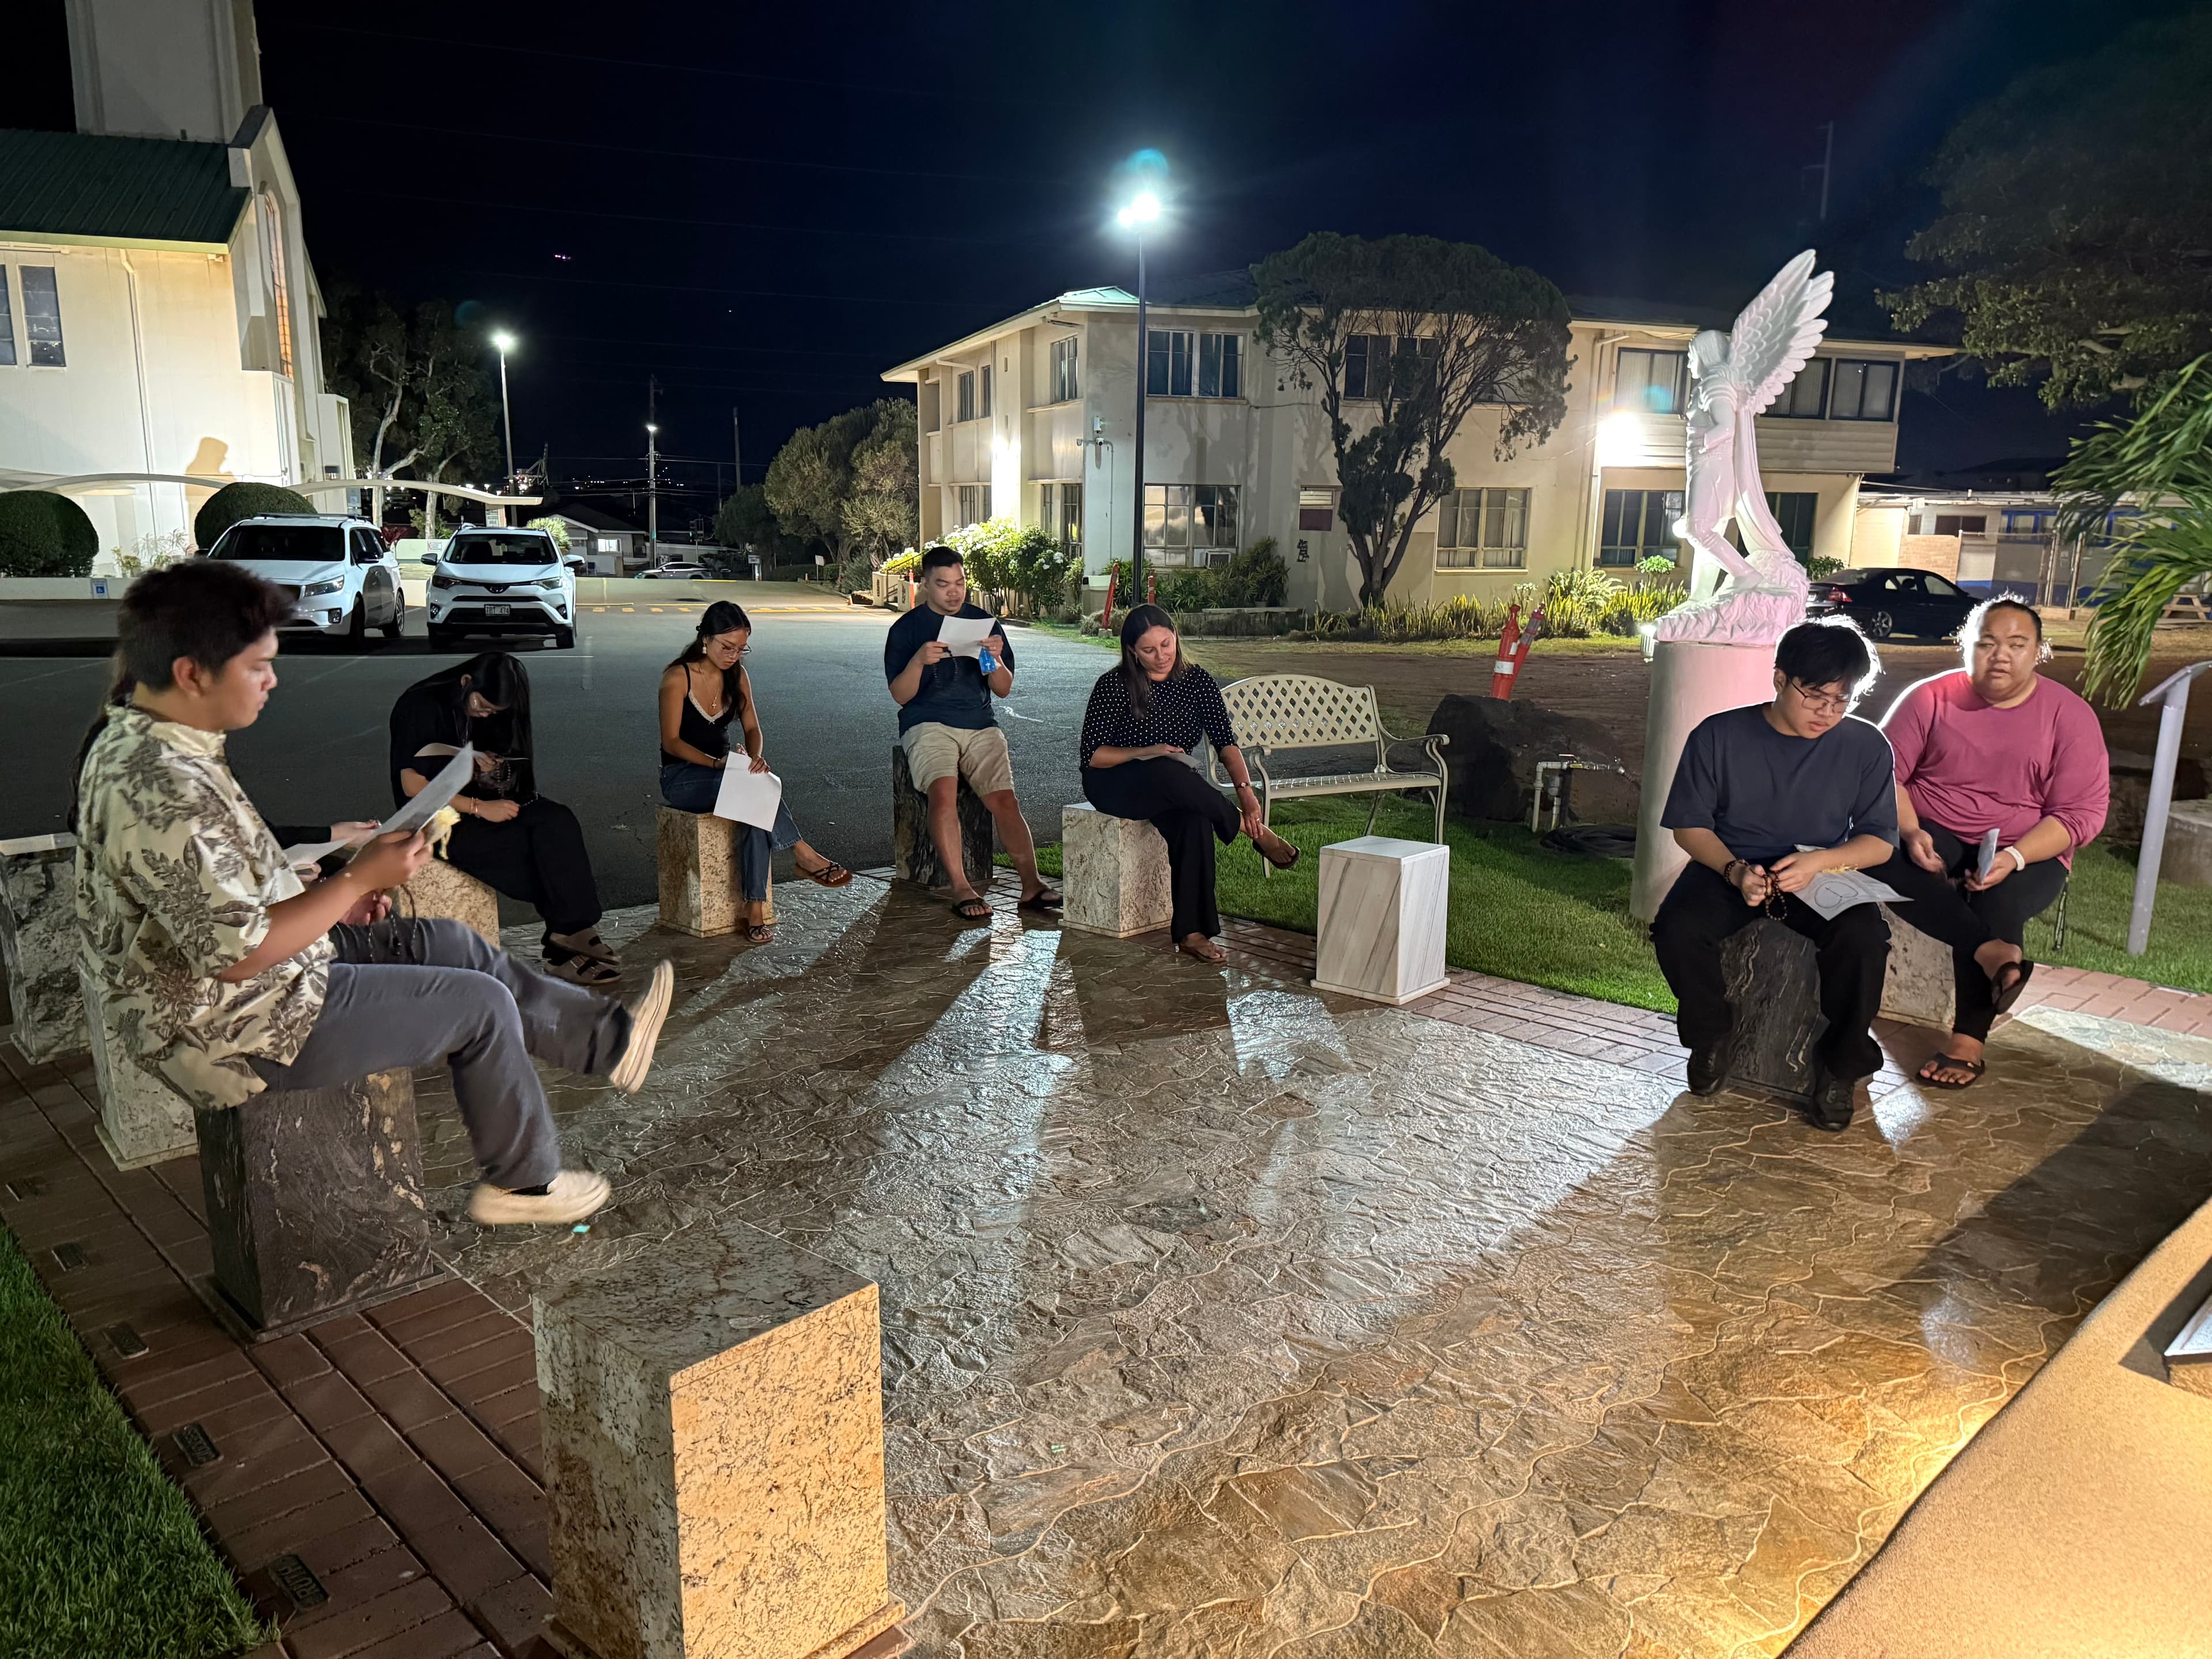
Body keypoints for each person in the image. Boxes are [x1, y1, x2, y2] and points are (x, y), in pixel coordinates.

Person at [73, 562, 673, 1226]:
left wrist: (328, 889)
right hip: (231, 1027)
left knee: (444, 941)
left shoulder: (167, 741)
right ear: (191, 673)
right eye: (258, 666)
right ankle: (522, 1185)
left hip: (262, 979)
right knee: (479, 1007)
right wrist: (358, 879)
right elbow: (236, 954)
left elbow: (214, 884)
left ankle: (609, 1043)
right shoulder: (160, 782)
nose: (274, 679)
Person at [1651, 619, 1900, 1131]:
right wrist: (1733, 869)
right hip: (1732, 863)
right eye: (1815, 697)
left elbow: (1878, 841)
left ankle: (1839, 1065)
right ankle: (1710, 1034)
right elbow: (1689, 826)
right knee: (1678, 929)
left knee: (1865, 940)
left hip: (1819, 868)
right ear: (1780, 679)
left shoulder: (1866, 746)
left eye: (1842, 700)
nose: (1828, 713)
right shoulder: (1720, 735)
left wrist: (1818, 863)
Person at [1871, 597, 2109, 1088]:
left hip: (2030, 844)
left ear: (2039, 652)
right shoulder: (1929, 698)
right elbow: (1882, 775)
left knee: (1994, 898)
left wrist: (2014, 857)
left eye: (2016, 645)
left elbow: (2080, 814)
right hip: (1932, 823)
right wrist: (1912, 831)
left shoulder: (2069, 716)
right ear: (1964, 646)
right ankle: (1993, 954)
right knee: (1883, 856)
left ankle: (1968, 1043)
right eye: (1986, 643)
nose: (1999, 655)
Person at [1079, 605, 1301, 961]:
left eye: (1166, 644)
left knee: (1196, 820)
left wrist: (1246, 792)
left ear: (1176, 637)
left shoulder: (1198, 682)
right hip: (1115, 783)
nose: (1161, 655)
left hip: (1175, 784)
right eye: (1149, 650)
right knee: (1164, 768)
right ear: (1133, 651)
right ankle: (1253, 833)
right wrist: (1145, 751)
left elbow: (1225, 743)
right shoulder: (1113, 685)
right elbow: (1093, 756)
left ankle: (1193, 933)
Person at [389, 653, 616, 986]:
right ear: (467, 682)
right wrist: (477, 806)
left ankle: (571, 931)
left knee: (557, 822)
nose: (484, 713)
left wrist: (490, 767)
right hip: (436, 821)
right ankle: (563, 945)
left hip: (478, 803)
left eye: (494, 711)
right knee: (528, 852)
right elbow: (412, 785)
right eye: (482, 705)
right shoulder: (421, 704)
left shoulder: (486, 708)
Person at [658, 600, 853, 942]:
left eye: (740, 648)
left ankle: (755, 908)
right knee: (752, 791)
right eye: (726, 647)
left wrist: (754, 758)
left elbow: (753, 729)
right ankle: (802, 853)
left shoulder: (738, 676)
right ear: (706, 638)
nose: (734, 655)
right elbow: (672, 742)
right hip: (684, 778)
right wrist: (720, 764)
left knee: (754, 801)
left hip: (728, 773)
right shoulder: (678, 677)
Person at [884, 546, 1059, 922]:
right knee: (943, 795)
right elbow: (900, 695)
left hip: (979, 723)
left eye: (960, 583)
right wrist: (919, 660)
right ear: (925, 585)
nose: (954, 592)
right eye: (944, 584)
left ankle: (1032, 885)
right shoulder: (906, 629)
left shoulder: (983, 623)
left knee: (1005, 801)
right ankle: (962, 887)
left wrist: (993, 658)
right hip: (927, 722)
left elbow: (1003, 688)